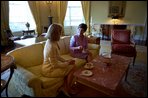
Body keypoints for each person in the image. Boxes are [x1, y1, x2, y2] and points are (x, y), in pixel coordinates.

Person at [41, 23, 77, 95]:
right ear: (56, 33)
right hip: (49, 70)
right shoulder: (51, 46)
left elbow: (57, 56)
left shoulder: (51, 41)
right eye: (60, 32)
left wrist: (66, 61)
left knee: (72, 65)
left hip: (51, 66)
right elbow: (55, 65)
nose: (61, 33)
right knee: (73, 67)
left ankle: (64, 87)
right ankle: (67, 89)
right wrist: (67, 63)